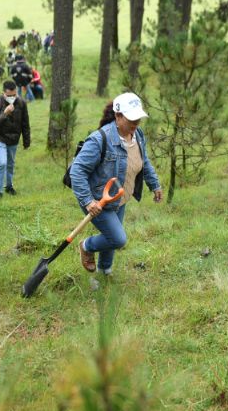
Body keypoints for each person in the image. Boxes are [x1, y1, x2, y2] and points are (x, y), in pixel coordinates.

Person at [68, 92, 164, 276]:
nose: (136, 123)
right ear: (118, 116)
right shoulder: (99, 140)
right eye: (132, 119)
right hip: (99, 201)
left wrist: (155, 184)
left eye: (138, 118)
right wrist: (88, 201)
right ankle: (86, 246)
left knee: (111, 237)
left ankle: (105, 271)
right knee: (118, 239)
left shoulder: (137, 135)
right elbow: (77, 171)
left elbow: (144, 161)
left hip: (119, 196)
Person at [0, 80, 31, 198]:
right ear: (3, 93)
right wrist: (5, 113)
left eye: (14, 95)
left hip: (14, 138)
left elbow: (25, 123)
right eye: (9, 96)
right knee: (2, 162)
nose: (12, 97)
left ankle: (9, 186)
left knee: (10, 163)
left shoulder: (21, 103)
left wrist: (26, 141)